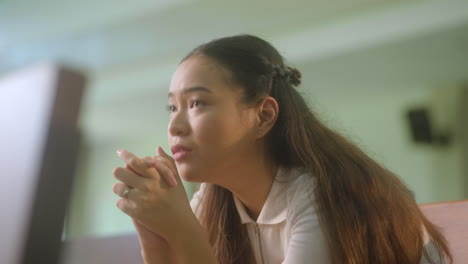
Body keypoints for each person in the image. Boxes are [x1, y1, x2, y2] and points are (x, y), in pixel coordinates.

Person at [112, 34, 452, 264]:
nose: (175, 126)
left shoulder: (322, 195)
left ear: (264, 115)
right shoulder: (212, 200)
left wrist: (181, 229)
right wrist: (155, 237)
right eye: (172, 107)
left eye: (197, 103)